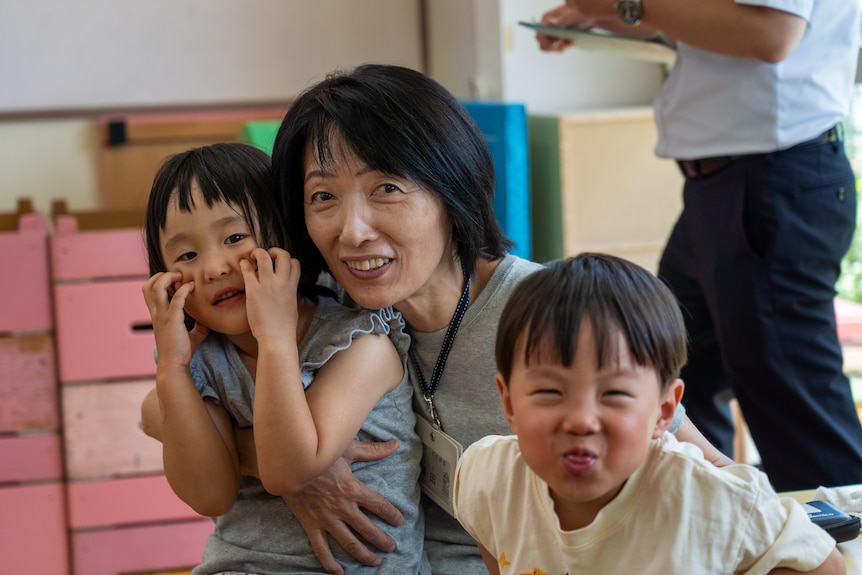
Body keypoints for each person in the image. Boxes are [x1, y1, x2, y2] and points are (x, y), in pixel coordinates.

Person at [266, 63, 733, 575]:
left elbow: (703, 468)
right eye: (323, 197)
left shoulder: (549, 311)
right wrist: (305, 467)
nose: (351, 231)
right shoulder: (325, 308)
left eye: (387, 189)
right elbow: (182, 412)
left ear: (452, 191)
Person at [538, 0, 862, 492]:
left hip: (767, 180)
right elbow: (708, 23)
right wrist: (603, 17)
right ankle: (714, 531)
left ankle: (838, 555)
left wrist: (625, 4)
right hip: (725, 187)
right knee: (671, 377)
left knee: (794, 408)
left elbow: (771, 34)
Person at [452, 252, 845, 575]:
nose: (580, 421)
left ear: (663, 410)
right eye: (550, 391)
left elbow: (823, 564)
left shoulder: (714, 499)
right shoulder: (486, 478)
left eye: (615, 394)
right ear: (508, 402)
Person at [139, 142, 430, 574]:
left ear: (289, 236)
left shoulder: (360, 342)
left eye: (235, 238)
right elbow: (209, 494)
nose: (213, 268)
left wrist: (274, 337)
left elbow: (288, 469)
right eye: (187, 255)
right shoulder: (201, 364)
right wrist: (173, 371)